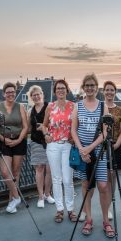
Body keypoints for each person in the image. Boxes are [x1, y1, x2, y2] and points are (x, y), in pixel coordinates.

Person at [71, 74, 113, 238]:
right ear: (83, 87)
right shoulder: (78, 106)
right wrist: (82, 149)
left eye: (92, 85)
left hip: (99, 152)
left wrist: (90, 148)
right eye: (87, 85)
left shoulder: (104, 106)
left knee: (103, 186)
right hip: (83, 153)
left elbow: (105, 132)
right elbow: (74, 129)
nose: (89, 88)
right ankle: (89, 219)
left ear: (97, 88)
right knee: (86, 186)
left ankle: (105, 221)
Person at [41, 79, 75, 223]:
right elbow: (44, 125)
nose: (61, 90)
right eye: (58, 88)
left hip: (68, 145)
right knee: (56, 178)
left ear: (67, 90)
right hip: (53, 145)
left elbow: (76, 126)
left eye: (63, 88)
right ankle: (59, 210)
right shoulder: (50, 106)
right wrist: (46, 134)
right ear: (55, 91)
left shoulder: (73, 106)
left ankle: (71, 209)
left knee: (68, 179)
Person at [0, 82, 28, 214]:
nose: (11, 94)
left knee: (15, 172)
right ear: (4, 94)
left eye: (13, 92)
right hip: (4, 141)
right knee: (5, 172)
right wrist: (4, 139)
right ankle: (17, 197)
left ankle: (12, 202)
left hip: (19, 141)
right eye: (8, 92)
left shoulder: (20, 106)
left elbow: (25, 126)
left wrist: (18, 140)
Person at [27, 85, 54, 208]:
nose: (36, 96)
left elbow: (55, 123)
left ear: (42, 94)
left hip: (50, 141)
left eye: (38, 94)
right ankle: (40, 196)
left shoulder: (50, 107)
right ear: (31, 97)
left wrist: (45, 128)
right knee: (39, 168)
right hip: (36, 142)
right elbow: (28, 128)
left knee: (50, 169)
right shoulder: (30, 111)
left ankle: (48, 194)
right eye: (34, 95)